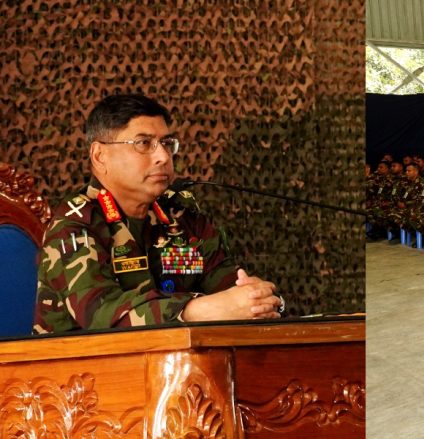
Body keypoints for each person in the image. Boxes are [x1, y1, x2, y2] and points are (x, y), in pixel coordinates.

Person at [35, 94, 282, 333]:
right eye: (144, 143)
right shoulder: (74, 225)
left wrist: (255, 298)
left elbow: (227, 283)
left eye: (166, 143)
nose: (163, 156)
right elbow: (101, 315)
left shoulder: (179, 215)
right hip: (86, 360)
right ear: (100, 156)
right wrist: (194, 311)